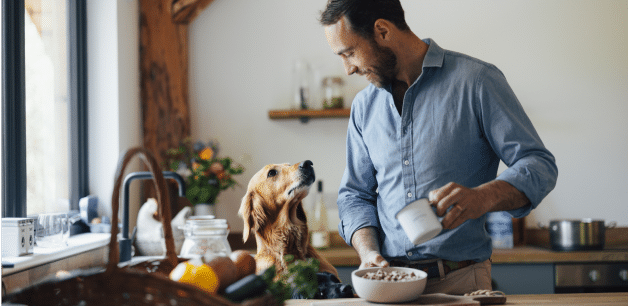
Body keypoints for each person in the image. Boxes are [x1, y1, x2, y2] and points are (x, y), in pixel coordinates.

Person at [319, 0, 558, 295]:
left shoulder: (477, 81)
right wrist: (368, 253)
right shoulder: (364, 107)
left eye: (349, 53)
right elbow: (355, 195)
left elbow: (538, 164)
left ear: (382, 31)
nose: (348, 69)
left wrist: (483, 197)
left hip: (462, 282)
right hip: (388, 285)